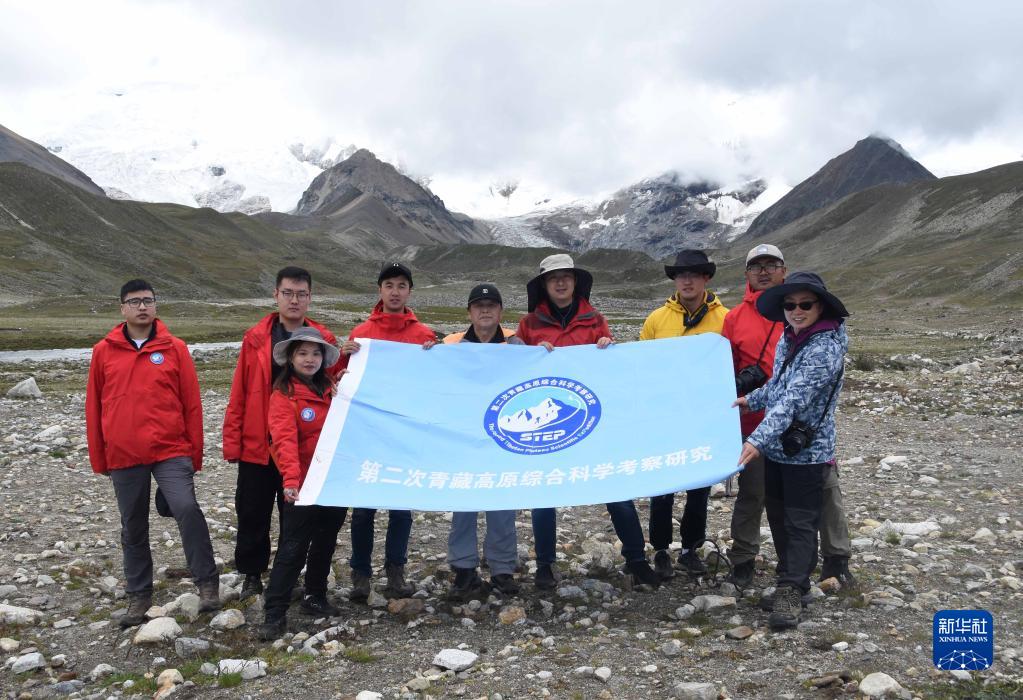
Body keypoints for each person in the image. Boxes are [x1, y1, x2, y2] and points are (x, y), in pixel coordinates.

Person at [516, 254, 661, 590]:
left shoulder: (595, 319)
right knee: (544, 495)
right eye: (553, 278)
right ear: (544, 285)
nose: (561, 282)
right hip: (550, 423)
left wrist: (607, 348)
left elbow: (610, 373)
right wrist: (530, 354)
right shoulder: (529, 324)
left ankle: (636, 560)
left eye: (566, 276)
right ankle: (545, 565)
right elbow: (518, 370)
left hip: (592, 423)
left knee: (617, 490)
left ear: (575, 282)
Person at [86, 279, 221, 627]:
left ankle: (207, 583)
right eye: (134, 301)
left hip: (171, 449)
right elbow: (94, 406)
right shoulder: (103, 351)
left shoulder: (175, 348)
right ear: (123, 308)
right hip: (124, 452)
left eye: (148, 300)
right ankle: (139, 595)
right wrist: (99, 457)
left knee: (186, 508)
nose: (142, 306)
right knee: (132, 524)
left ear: (155, 305)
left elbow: (191, 404)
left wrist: (194, 455)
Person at [724, 245, 854, 590]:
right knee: (780, 515)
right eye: (790, 305)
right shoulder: (788, 335)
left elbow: (793, 400)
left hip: (805, 449)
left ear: (820, 306)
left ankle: (796, 587)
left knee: (802, 518)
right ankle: (790, 578)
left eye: (805, 305)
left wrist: (756, 439)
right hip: (777, 445)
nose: (797, 311)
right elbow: (779, 384)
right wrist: (750, 400)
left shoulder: (824, 348)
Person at [223, 266, 342, 601]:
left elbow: (333, 382)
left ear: (310, 297)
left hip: (301, 445)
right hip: (258, 442)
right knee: (253, 510)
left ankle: (286, 574)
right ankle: (251, 573)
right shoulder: (255, 337)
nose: (294, 300)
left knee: (296, 513)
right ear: (276, 295)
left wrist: (350, 361)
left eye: (301, 294)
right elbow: (240, 390)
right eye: (288, 293)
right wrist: (233, 440)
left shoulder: (324, 338)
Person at [341, 261, 436, 601]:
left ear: (409, 292)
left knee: (400, 507)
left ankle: (396, 571)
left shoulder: (423, 335)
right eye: (389, 285)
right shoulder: (361, 333)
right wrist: (343, 357)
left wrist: (435, 357)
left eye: (401, 285)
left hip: (404, 433)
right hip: (368, 433)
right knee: (363, 508)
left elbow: (434, 382)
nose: (395, 292)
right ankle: (360, 574)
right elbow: (341, 381)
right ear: (380, 290)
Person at [638, 249, 728, 580]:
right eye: (680, 275)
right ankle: (661, 550)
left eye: (693, 275)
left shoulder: (725, 319)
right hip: (664, 418)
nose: (686, 281)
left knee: (699, 489)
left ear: (706, 278)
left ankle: (691, 549)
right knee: (662, 488)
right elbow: (641, 365)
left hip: (704, 418)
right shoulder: (656, 319)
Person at [258, 328, 347, 640]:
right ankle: (274, 612)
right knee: (293, 547)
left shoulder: (334, 390)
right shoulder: (284, 395)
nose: (310, 359)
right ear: (291, 358)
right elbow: (284, 441)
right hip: (303, 484)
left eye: (316, 353)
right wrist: (291, 481)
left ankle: (315, 595)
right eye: (303, 353)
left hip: (333, 482)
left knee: (325, 540)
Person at [443, 284, 522, 600]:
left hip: (504, 438)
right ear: (469, 312)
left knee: (502, 505)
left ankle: (502, 569)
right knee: (464, 504)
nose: (485, 310)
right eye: (479, 305)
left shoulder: (517, 345)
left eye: (491, 305)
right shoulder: (450, 345)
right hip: (464, 438)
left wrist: (544, 354)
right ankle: (463, 569)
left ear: (501, 311)